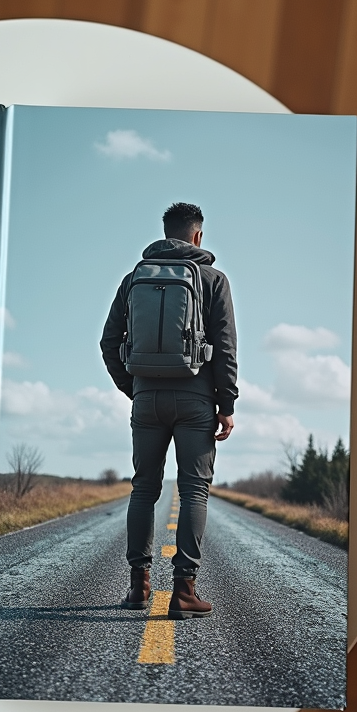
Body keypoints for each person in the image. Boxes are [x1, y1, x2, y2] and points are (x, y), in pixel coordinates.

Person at [100, 202, 238, 618]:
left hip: (146, 398)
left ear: (164, 233)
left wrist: (135, 389)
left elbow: (109, 343)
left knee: (143, 489)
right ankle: (183, 591)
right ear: (198, 235)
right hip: (196, 399)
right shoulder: (213, 279)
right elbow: (226, 347)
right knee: (194, 489)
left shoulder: (133, 279)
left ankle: (138, 586)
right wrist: (226, 403)